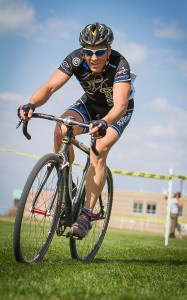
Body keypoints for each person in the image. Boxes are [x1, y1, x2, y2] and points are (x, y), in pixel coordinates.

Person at [18, 22, 136, 239]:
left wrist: (105, 122)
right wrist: (31, 104)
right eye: (88, 52)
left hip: (116, 112)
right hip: (90, 104)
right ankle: (67, 184)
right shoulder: (75, 58)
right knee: (61, 128)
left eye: (99, 52)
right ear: (82, 51)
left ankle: (87, 214)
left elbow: (119, 105)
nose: (93, 57)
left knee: (98, 149)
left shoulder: (120, 64)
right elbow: (50, 87)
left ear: (108, 50)